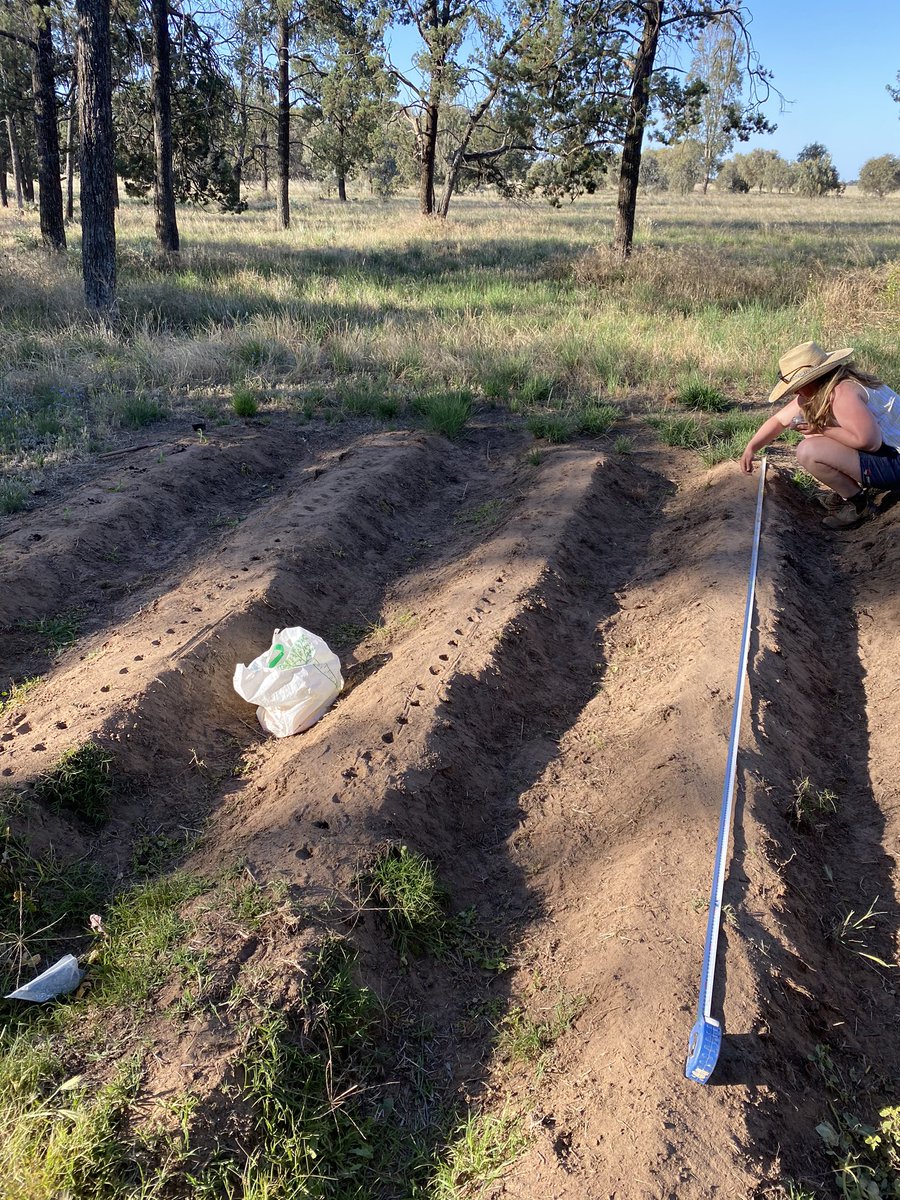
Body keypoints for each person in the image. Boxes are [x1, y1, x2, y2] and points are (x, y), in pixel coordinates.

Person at [741, 341, 900, 529]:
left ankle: (859, 505)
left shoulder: (842, 393)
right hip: (891, 452)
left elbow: (869, 442)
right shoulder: (838, 383)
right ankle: (853, 490)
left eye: (798, 386)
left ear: (814, 379)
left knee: (809, 450)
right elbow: (779, 421)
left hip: (895, 461)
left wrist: (821, 429)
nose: (796, 392)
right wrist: (751, 447)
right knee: (814, 439)